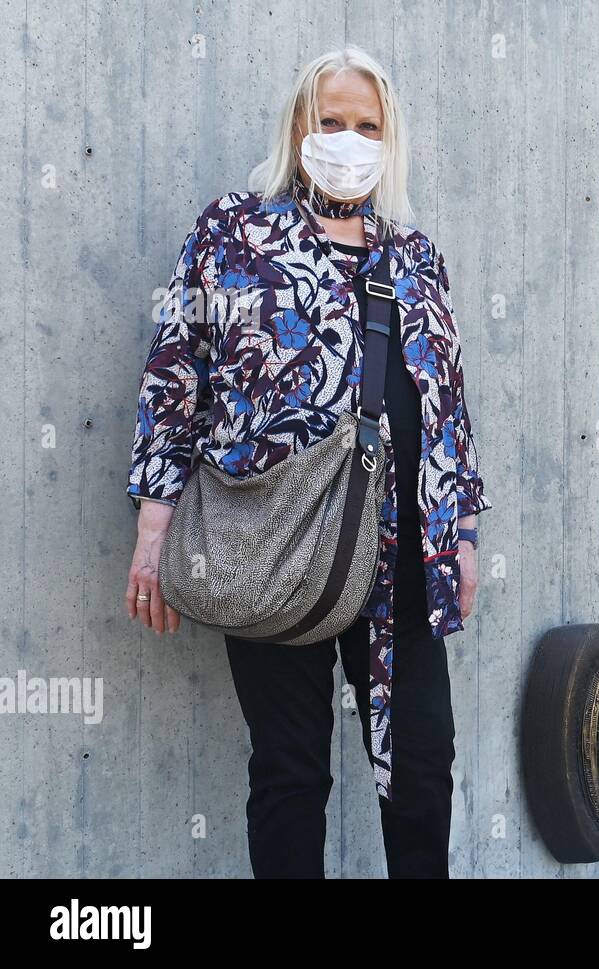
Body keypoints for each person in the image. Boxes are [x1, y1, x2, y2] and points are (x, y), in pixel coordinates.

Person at [123, 47, 489, 878]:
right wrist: (154, 529)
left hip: (401, 552)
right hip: (272, 534)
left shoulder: (417, 255)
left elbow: (450, 400)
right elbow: (175, 374)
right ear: (299, 126)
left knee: (422, 765)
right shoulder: (234, 230)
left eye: (368, 126)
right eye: (331, 121)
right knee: (290, 770)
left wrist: (460, 531)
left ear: (390, 140)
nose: (348, 139)